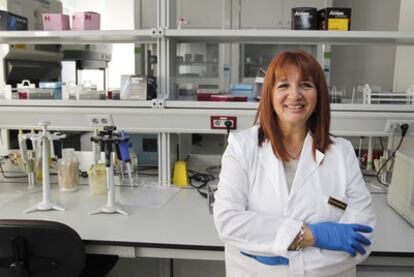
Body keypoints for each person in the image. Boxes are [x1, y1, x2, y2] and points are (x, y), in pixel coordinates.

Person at [213, 50, 376, 277]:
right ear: (269, 95)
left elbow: (363, 238)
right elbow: (228, 222)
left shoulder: (342, 153)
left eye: (306, 85)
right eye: (283, 86)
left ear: (319, 96)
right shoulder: (242, 148)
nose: (294, 95)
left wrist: (278, 250)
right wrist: (314, 236)